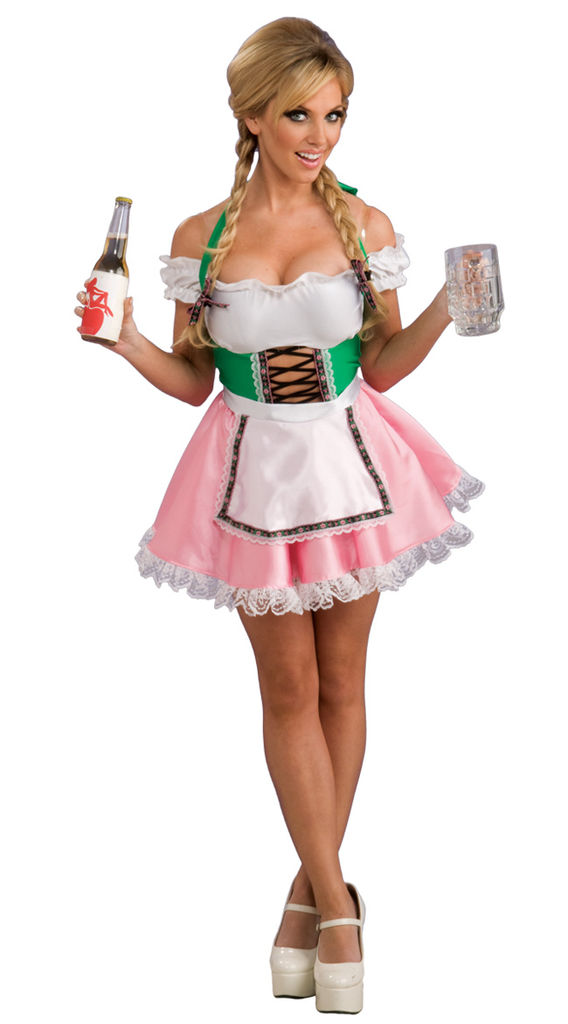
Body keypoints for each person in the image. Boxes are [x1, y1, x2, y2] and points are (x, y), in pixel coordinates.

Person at [75, 17, 483, 1015]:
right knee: (288, 687)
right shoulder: (198, 239)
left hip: (351, 464)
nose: (320, 136)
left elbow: (381, 366)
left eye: (335, 115)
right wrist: (123, 340)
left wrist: (447, 304)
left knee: (343, 681)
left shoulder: (364, 224)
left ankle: (311, 894)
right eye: (300, 114)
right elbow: (192, 383)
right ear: (252, 114)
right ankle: (340, 903)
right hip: (252, 470)